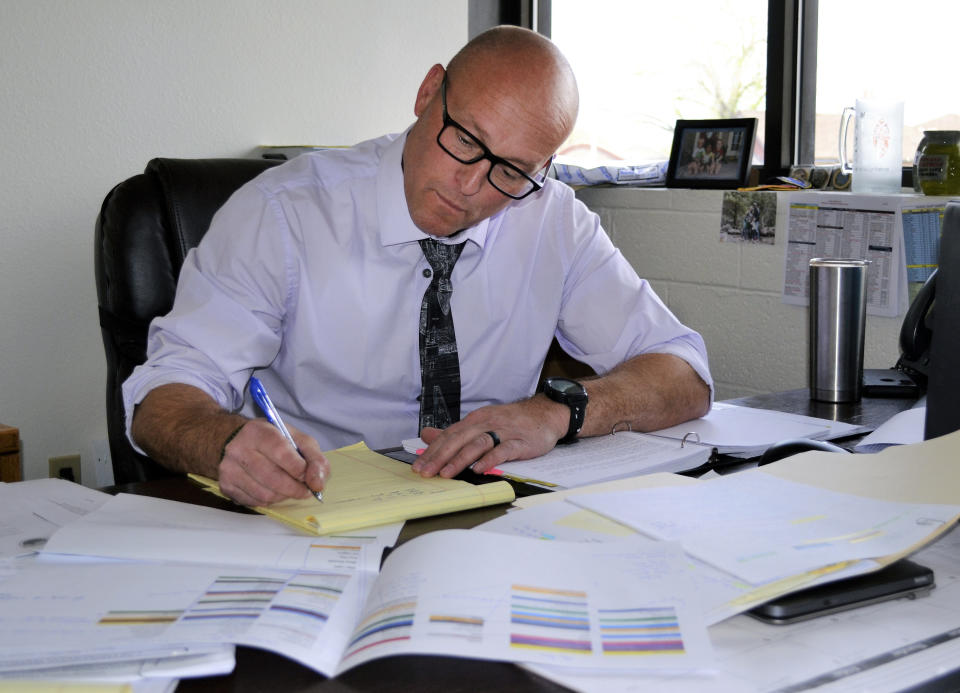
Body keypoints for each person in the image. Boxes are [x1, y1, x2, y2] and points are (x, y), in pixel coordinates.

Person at [124, 26, 713, 508]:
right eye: (464, 139)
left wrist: (558, 411)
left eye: (512, 171)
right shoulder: (282, 213)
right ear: (428, 93)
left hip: (494, 518)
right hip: (316, 511)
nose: (471, 185)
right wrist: (224, 440)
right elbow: (163, 399)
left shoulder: (552, 217)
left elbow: (683, 371)